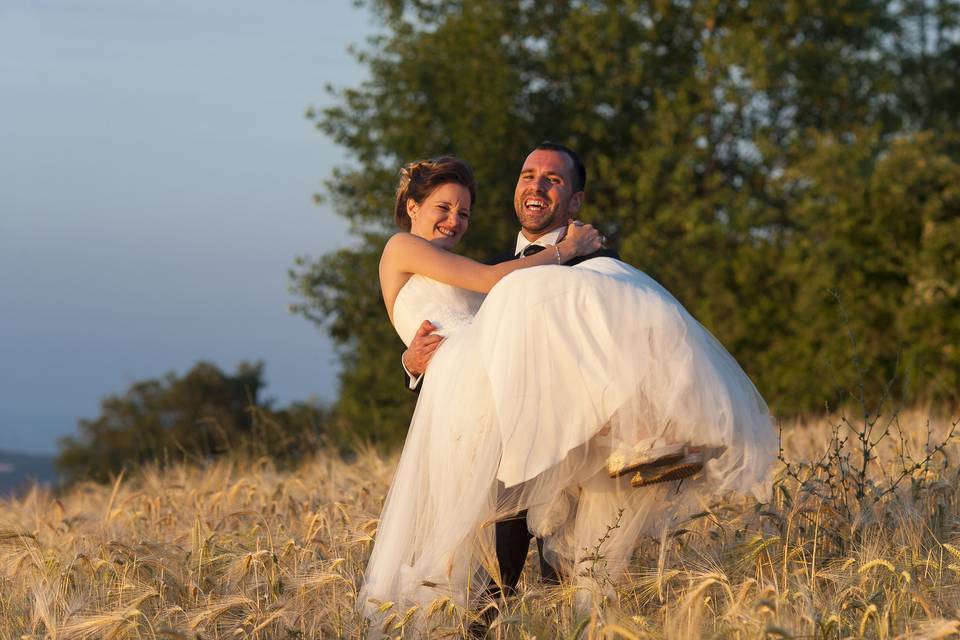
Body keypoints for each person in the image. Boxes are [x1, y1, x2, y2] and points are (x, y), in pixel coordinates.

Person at [359, 152, 775, 632]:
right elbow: (489, 292)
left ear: (575, 198)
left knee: (536, 488)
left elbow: (483, 319)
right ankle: (647, 451)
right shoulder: (403, 249)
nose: (455, 221)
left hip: (482, 380)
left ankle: (657, 446)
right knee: (478, 536)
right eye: (443, 209)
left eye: (464, 213)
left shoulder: (470, 266)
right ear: (412, 206)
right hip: (463, 382)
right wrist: (566, 248)